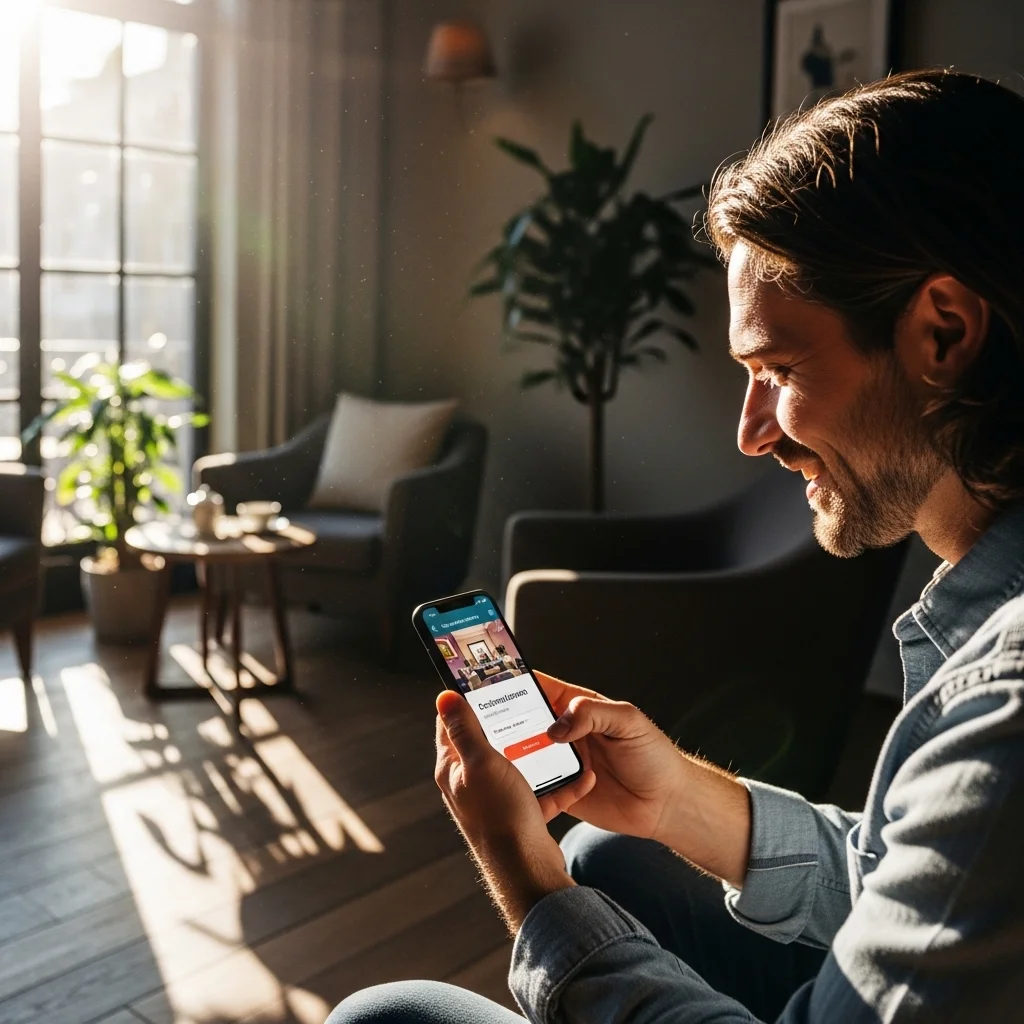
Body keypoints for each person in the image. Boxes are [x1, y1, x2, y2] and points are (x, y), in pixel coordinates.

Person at [328, 69, 1024, 1023]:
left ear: (943, 333)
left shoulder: (1007, 707)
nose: (751, 431)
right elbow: (908, 871)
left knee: (388, 1017)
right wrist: (680, 799)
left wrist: (533, 894)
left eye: (777, 368)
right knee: (617, 847)